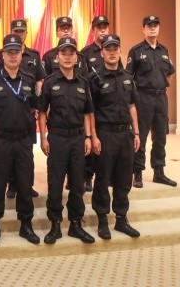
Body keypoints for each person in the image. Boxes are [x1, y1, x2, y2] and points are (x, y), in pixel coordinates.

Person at [38, 37, 95, 244]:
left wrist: (88, 137)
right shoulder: (50, 82)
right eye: (64, 53)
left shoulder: (83, 83)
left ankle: (75, 224)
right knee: (55, 183)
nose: (68, 57)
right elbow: (42, 112)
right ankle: (55, 225)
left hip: (78, 138)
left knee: (78, 184)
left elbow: (88, 113)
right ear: (58, 56)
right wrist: (43, 138)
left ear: (76, 57)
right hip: (57, 138)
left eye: (72, 53)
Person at [0, 34, 40, 245]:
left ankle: (26, 224)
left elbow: (33, 107)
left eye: (16, 52)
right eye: (9, 52)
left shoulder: (29, 79)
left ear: (21, 54)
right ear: (3, 55)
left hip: (24, 140)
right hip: (2, 140)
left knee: (25, 183)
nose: (13, 56)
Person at [89, 35, 141, 240]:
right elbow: (90, 112)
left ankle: (121, 218)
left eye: (115, 49)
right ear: (102, 52)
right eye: (108, 49)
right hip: (105, 133)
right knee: (102, 177)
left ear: (120, 51)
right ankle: (102, 219)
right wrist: (93, 136)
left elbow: (132, 106)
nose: (112, 52)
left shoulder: (128, 77)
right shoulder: (94, 79)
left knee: (124, 177)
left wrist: (136, 132)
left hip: (125, 134)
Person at [0, 18, 45, 199]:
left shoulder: (34, 55)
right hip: (7, 109)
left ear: (26, 33)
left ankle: (26, 185)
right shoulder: (2, 54)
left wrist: (37, 105)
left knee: (26, 154)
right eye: (16, 31)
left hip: (27, 111)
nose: (19, 34)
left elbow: (39, 81)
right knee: (7, 155)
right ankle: (12, 185)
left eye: (21, 31)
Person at [126, 15, 177, 188]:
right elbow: (128, 77)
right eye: (149, 25)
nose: (153, 28)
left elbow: (170, 73)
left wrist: (160, 86)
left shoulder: (164, 51)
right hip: (143, 98)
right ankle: (137, 173)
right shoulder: (136, 51)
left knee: (160, 137)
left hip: (161, 99)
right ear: (144, 29)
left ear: (159, 28)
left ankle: (159, 172)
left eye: (155, 25)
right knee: (140, 137)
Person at [79, 15, 111, 193]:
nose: (103, 30)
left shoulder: (113, 48)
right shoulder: (85, 52)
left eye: (105, 27)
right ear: (93, 31)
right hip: (91, 103)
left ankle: (105, 174)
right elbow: (81, 79)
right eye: (99, 28)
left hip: (108, 104)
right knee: (89, 138)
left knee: (106, 140)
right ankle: (87, 176)